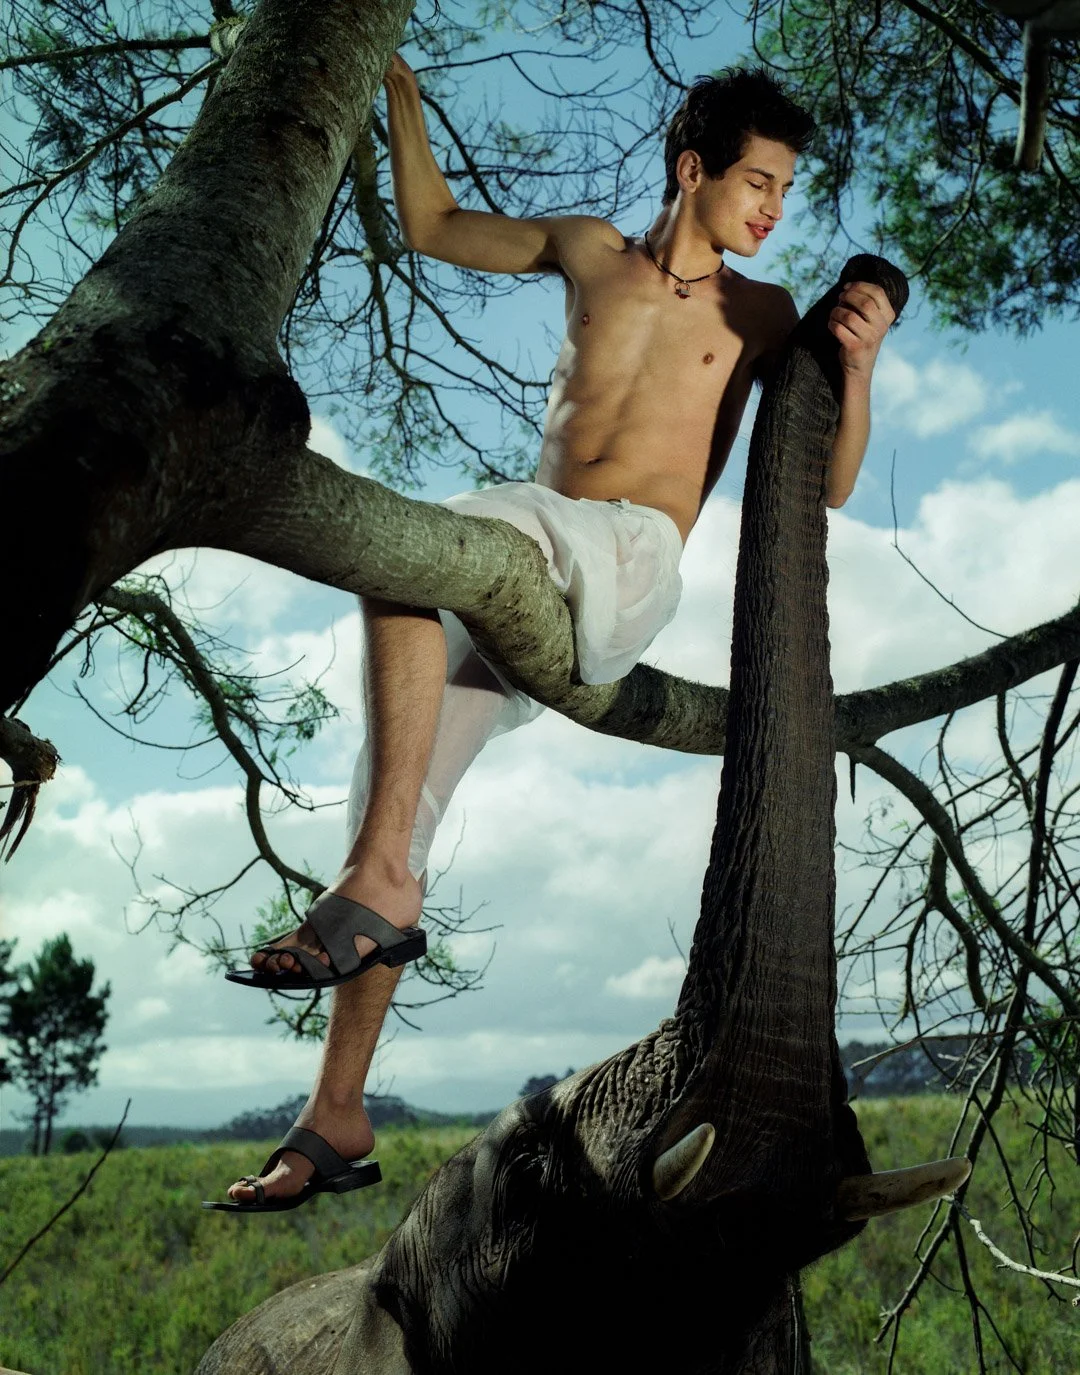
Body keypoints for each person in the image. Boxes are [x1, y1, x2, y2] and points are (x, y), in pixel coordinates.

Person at [212, 57, 895, 1210]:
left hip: (625, 559)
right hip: (524, 564)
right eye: (759, 181)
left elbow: (827, 485)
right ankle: (336, 1113)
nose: (775, 208)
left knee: (411, 543)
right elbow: (430, 225)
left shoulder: (764, 317)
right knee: (395, 784)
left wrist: (860, 370)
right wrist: (397, 94)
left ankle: (373, 889)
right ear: (695, 170)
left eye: (786, 188)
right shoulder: (588, 253)